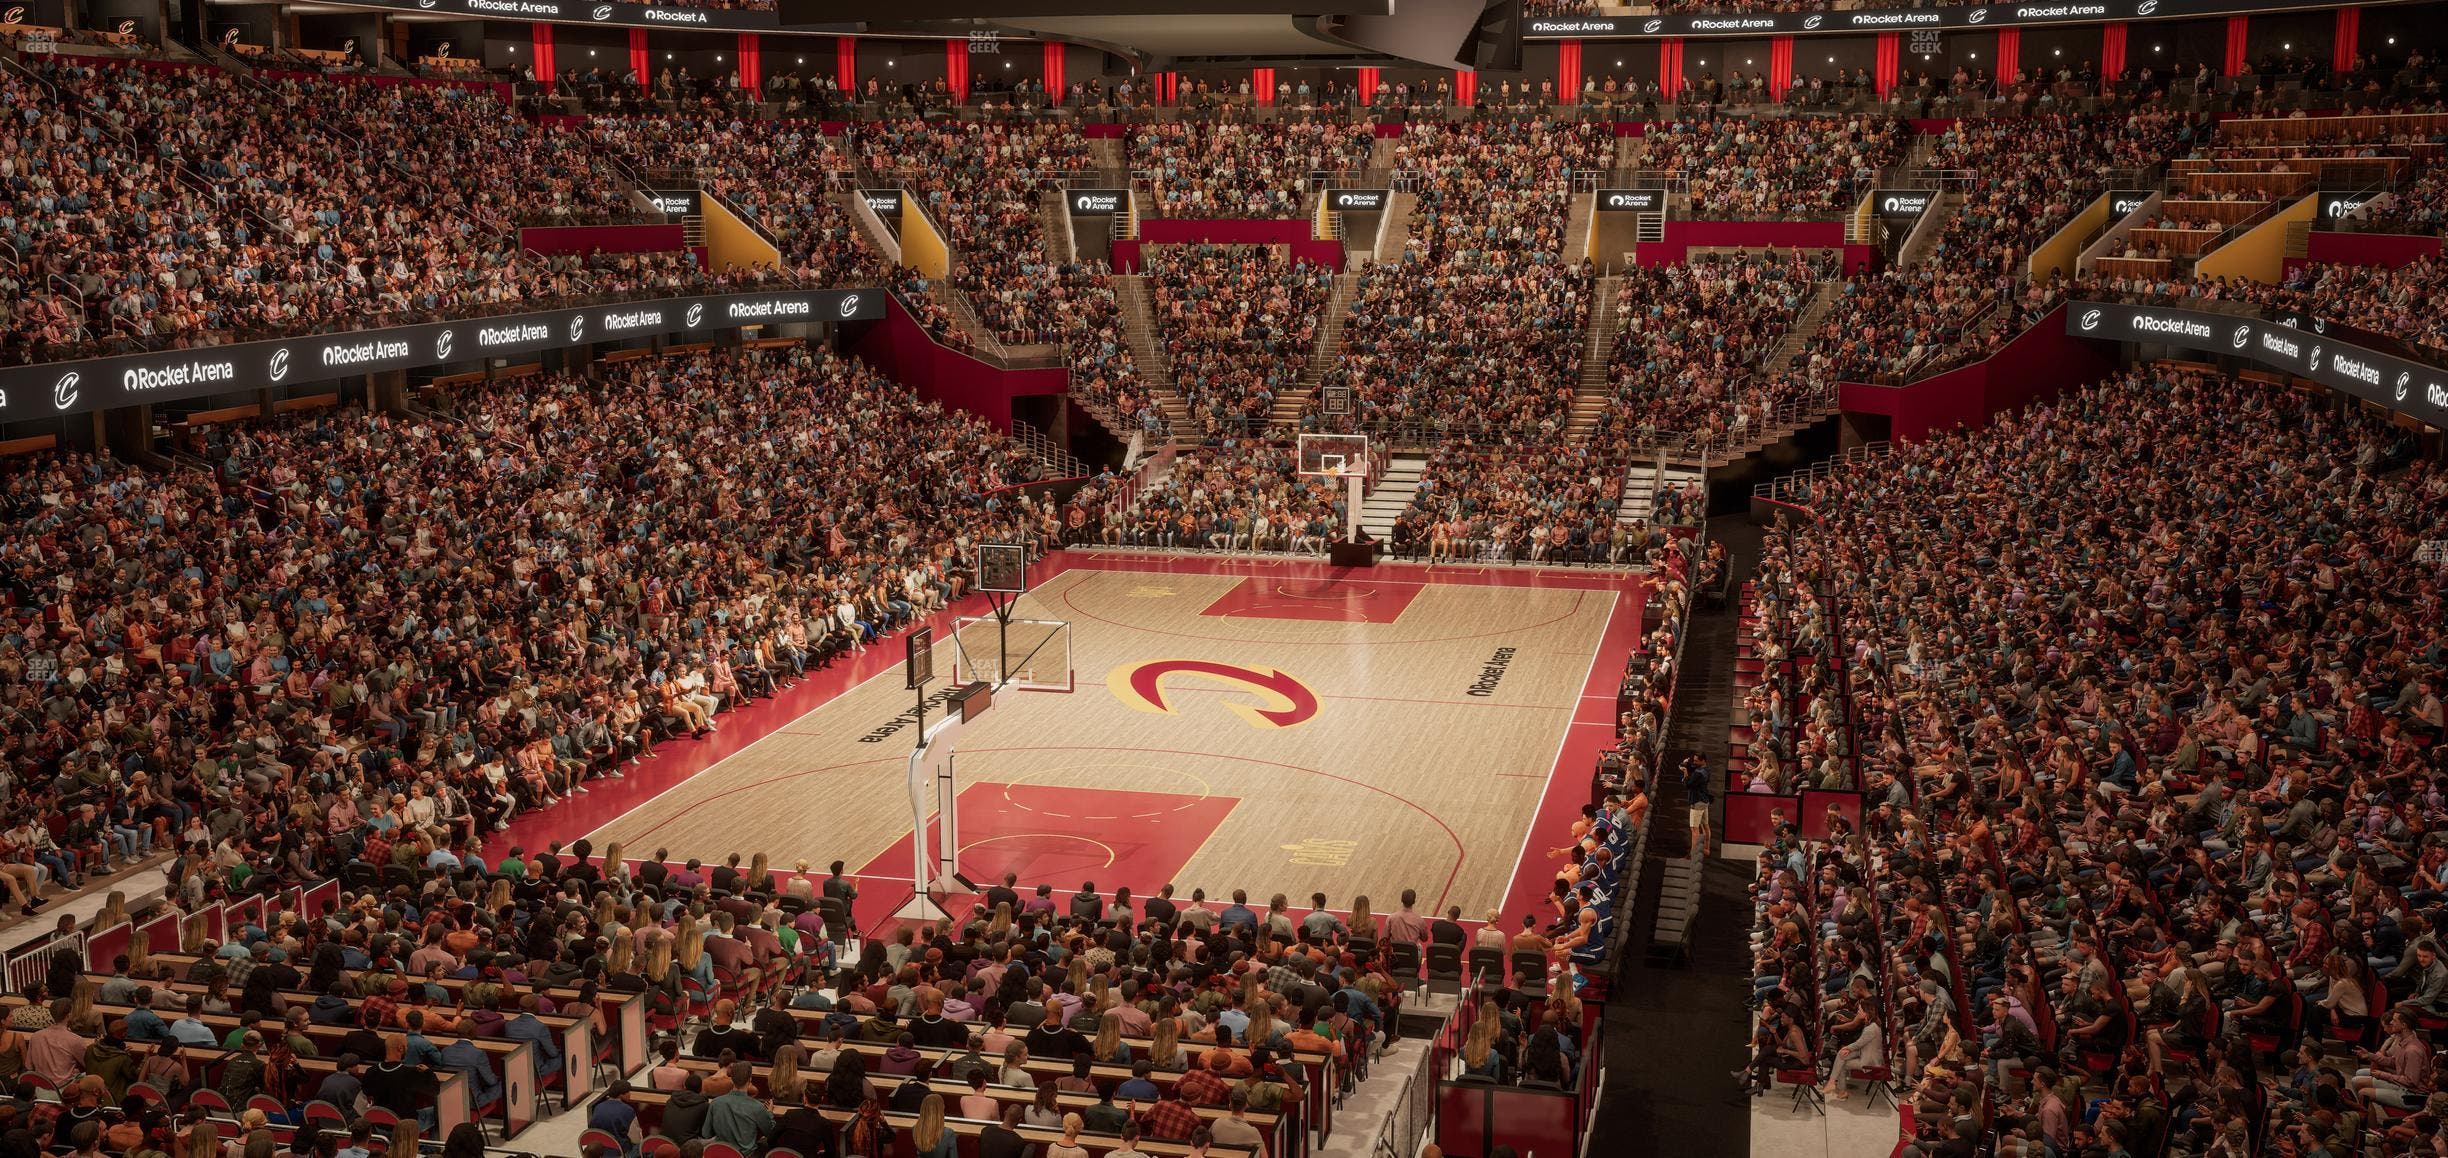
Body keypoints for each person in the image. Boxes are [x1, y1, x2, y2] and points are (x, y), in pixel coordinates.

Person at [703, 1061, 774, 1151]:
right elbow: (770, 1133)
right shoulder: (757, 1107)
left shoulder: (715, 1103)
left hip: (721, 1153)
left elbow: (706, 1133)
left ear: (731, 1079)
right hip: (746, 1154)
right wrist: (770, 1113)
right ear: (750, 1080)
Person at [586, 1080, 643, 1157]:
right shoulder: (628, 1110)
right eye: (628, 1092)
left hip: (599, 1150)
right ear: (621, 1095)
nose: (630, 1094)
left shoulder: (598, 1106)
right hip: (619, 1151)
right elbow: (636, 1138)